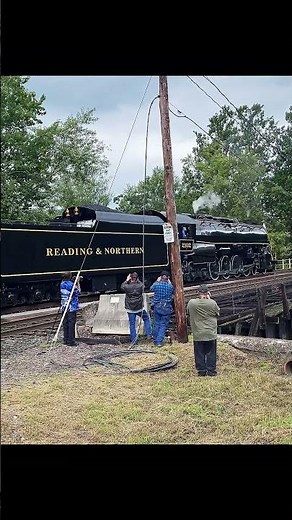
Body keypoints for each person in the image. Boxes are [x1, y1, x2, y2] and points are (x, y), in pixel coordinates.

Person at [187, 284, 220, 376]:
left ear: (198, 293)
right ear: (207, 292)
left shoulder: (191, 303)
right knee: (211, 352)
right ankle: (211, 371)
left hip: (198, 333)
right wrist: (208, 299)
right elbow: (217, 312)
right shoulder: (212, 303)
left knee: (199, 353)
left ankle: (201, 371)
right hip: (210, 333)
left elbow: (188, 312)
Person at [120, 272, 152, 344]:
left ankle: (134, 341)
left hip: (130, 309)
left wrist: (126, 280)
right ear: (137, 278)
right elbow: (143, 286)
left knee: (132, 325)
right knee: (146, 319)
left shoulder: (127, 287)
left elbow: (122, 286)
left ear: (130, 278)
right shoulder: (140, 286)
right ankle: (149, 335)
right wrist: (138, 280)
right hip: (139, 308)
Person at [150, 270, 174, 347]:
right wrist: (169, 282)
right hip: (166, 307)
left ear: (160, 277)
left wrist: (157, 281)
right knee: (163, 325)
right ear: (168, 278)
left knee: (156, 324)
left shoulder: (157, 285)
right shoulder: (170, 287)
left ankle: (155, 340)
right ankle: (159, 341)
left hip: (157, 306)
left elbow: (151, 288)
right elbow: (172, 290)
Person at [60, 272, 81, 346]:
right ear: (70, 276)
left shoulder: (62, 284)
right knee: (71, 323)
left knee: (65, 323)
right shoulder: (71, 285)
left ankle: (65, 339)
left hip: (64, 306)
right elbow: (78, 292)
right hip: (71, 306)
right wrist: (77, 282)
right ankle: (71, 341)